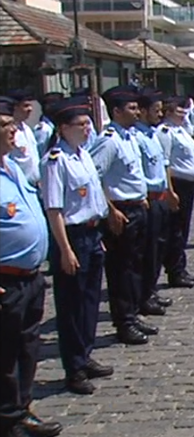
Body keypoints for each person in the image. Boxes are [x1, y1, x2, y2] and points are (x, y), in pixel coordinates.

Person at [40, 96, 115, 395]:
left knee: (89, 303)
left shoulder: (82, 154)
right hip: (71, 237)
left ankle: (85, 354)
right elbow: (54, 210)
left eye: (88, 123)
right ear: (63, 128)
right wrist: (66, 250)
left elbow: (93, 197)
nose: (87, 129)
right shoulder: (55, 161)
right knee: (71, 307)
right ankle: (73, 368)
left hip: (91, 234)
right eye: (80, 125)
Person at [0, 96, 63, 437]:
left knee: (27, 348)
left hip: (30, 277)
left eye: (10, 123)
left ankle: (22, 409)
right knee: (5, 356)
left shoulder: (13, 167)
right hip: (5, 280)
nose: (12, 130)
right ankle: (8, 420)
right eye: (3, 125)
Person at [86, 84, 154, 345]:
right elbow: (94, 177)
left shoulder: (129, 137)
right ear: (116, 111)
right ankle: (123, 322)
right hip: (121, 211)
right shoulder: (109, 141)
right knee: (121, 269)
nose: (138, 112)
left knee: (136, 265)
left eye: (138, 107)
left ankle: (133, 314)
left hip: (137, 207)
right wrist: (110, 210)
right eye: (132, 108)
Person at [134, 87, 176, 316]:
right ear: (142, 111)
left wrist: (169, 192)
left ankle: (150, 290)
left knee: (158, 249)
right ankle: (143, 296)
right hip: (148, 200)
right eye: (155, 110)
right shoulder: (138, 137)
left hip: (160, 198)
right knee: (147, 252)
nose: (160, 114)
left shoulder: (153, 135)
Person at [156, 97, 194, 288]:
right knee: (175, 231)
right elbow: (164, 163)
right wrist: (170, 191)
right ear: (167, 113)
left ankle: (180, 267)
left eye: (185, 112)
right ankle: (175, 271)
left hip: (188, 185)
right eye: (179, 112)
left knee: (182, 229)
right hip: (177, 185)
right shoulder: (165, 132)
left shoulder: (181, 130)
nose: (184, 115)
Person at [7, 90, 40, 188]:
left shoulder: (27, 129)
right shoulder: (8, 132)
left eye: (30, 106)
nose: (30, 109)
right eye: (25, 106)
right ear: (15, 107)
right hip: (18, 186)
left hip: (36, 186)